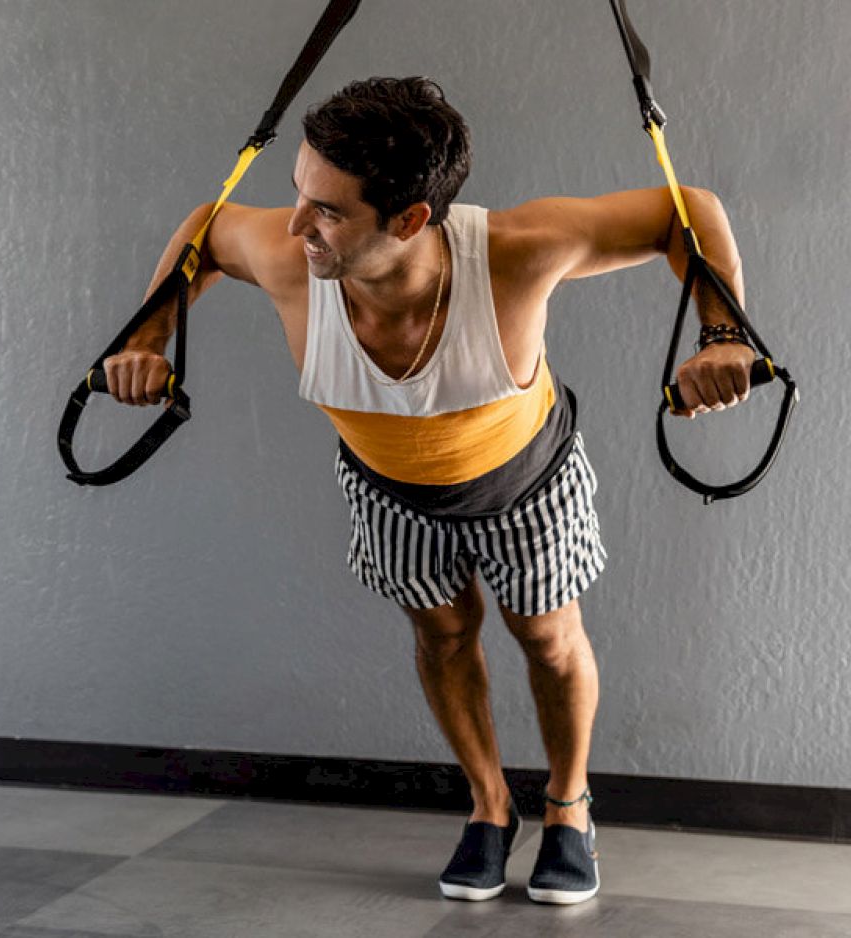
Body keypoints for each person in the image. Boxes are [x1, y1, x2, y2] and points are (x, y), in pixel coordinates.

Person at [103, 78, 758, 905]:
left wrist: (722, 333)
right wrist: (148, 336)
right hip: (390, 492)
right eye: (299, 194)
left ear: (410, 219)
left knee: (548, 639)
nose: (297, 224)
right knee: (443, 636)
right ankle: (489, 806)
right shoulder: (286, 254)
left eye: (330, 212)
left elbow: (683, 209)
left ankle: (568, 808)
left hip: (527, 482)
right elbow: (208, 227)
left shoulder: (518, 251)